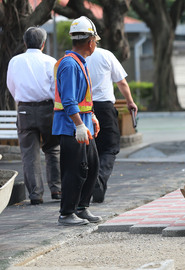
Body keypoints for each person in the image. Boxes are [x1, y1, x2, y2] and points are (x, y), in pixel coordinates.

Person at [52, 16, 102, 226]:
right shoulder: (70, 65)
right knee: (75, 170)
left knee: (92, 166)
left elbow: (82, 99)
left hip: (83, 124)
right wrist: (79, 125)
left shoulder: (78, 63)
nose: (95, 45)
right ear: (90, 41)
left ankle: (82, 207)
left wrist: (91, 116)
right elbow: (69, 99)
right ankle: (66, 213)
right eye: (95, 42)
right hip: (72, 127)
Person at [6, 27, 61, 205]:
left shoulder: (15, 61)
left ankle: (36, 194)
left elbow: (11, 86)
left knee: (29, 154)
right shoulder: (50, 61)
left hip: (24, 110)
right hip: (48, 109)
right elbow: (56, 89)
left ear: (24, 42)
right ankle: (57, 189)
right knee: (53, 149)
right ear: (43, 44)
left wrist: (22, 101)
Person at [86, 47, 138, 203]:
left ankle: (90, 183)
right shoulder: (106, 54)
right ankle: (99, 179)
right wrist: (130, 101)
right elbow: (121, 81)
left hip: (83, 108)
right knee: (109, 147)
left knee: (89, 146)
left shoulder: (72, 57)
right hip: (104, 108)